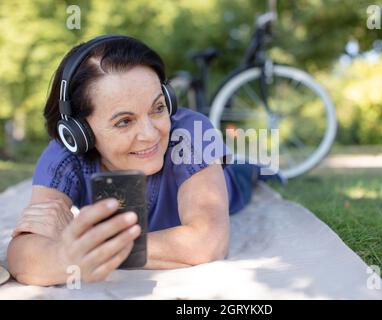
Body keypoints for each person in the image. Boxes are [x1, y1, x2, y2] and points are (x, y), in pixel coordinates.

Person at [7, 35, 281, 286]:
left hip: (234, 184)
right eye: (124, 121)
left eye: (158, 108)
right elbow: (22, 254)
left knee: (248, 170)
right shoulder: (65, 156)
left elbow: (208, 242)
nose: (151, 134)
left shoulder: (191, 133)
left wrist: (98, 250)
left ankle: (257, 169)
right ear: (79, 134)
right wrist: (64, 257)